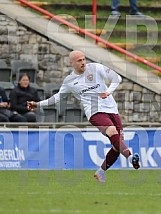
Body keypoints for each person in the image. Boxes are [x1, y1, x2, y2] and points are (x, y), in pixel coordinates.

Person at [27, 50, 140, 183]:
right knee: (112, 131)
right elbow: (57, 97)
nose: (83, 62)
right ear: (72, 63)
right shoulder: (69, 81)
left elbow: (117, 78)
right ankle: (130, 157)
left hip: (112, 109)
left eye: (83, 59)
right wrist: (38, 104)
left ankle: (100, 172)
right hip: (94, 112)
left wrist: (108, 92)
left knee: (117, 145)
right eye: (79, 60)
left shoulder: (96, 67)